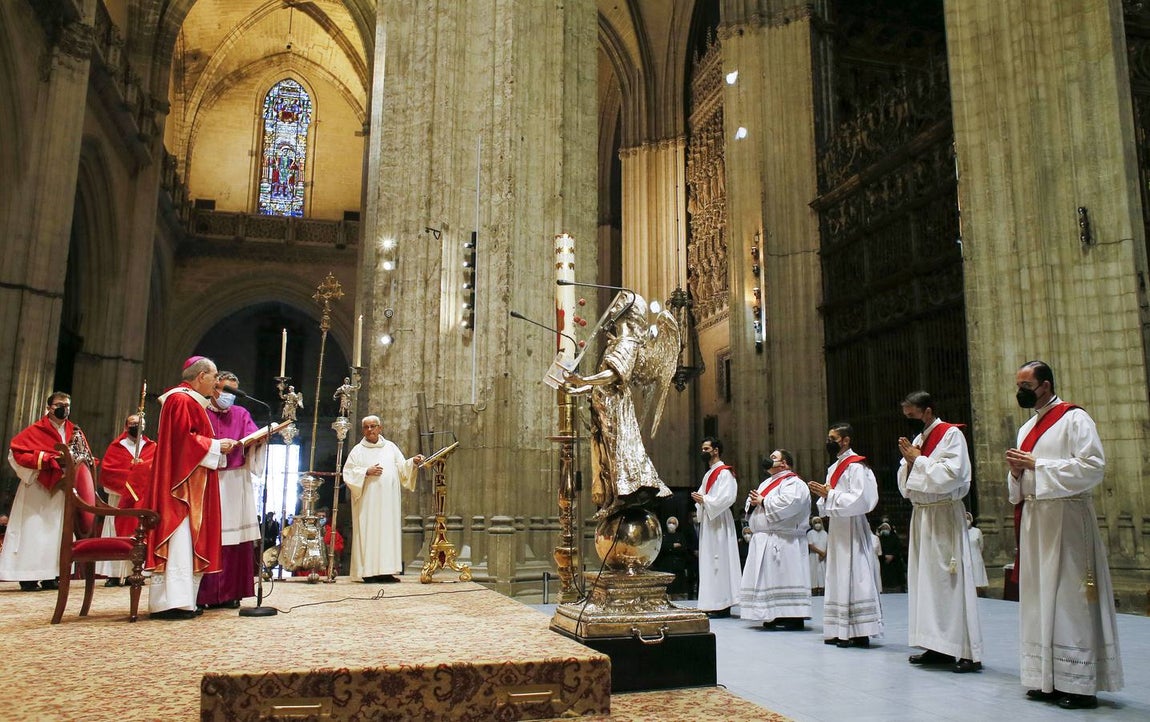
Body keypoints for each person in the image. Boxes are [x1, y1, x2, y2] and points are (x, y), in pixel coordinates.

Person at [1006, 360, 1122, 709]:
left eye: (1026, 385)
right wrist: (1016, 472)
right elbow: (1020, 483)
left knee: (1069, 598)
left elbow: (1092, 467)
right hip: (1036, 520)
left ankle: (1080, 684)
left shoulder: (1074, 418)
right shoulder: (1027, 428)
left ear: (1046, 384)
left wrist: (1036, 465)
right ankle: (1048, 678)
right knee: (1040, 597)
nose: (1021, 392)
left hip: (1067, 517)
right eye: (1019, 385)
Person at [562, 292, 677, 518]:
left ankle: (620, 496)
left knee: (616, 453)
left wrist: (584, 380)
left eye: (619, 305)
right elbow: (601, 384)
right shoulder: (617, 342)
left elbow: (613, 375)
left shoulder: (627, 342)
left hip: (615, 410)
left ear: (628, 311)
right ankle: (612, 497)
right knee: (605, 455)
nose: (613, 308)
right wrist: (578, 389)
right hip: (604, 407)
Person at [146, 356, 239, 620]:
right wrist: (215, 446)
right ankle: (171, 603)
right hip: (182, 487)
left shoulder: (189, 401)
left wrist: (213, 446)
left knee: (187, 541)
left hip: (193, 479)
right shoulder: (181, 400)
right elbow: (182, 441)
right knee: (179, 539)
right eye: (214, 377)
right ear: (200, 377)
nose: (217, 384)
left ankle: (182, 600)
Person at [897, 391, 984, 674]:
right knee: (928, 585)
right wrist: (911, 461)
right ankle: (937, 646)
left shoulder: (950, 436)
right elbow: (905, 485)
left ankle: (967, 651)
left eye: (912, 415)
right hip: (923, 516)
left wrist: (918, 460)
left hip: (945, 514)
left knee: (952, 583)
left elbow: (953, 475)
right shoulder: (920, 440)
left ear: (928, 411)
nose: (909, 421)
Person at [0, 392, 85, 592]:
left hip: (62, 489)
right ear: (49, 408)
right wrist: (46, 459)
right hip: (37, 488)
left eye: (67, 404)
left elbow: (84, 455)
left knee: (57, 533)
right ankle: (28, 577)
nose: (63, 408)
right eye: (59, 404)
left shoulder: (75, 432)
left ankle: (52, 575)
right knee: (34, 531)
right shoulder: (36, 430)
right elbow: (17, 452)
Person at [808, 422, 882, 648]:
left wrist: (830, 495)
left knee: (855, 573)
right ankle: (840, 629)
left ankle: (860, 631)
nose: (829, 442)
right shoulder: (834, 468)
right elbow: (829, 499)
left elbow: (862, 499)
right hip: (838, 527)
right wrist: (824, 496)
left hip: (853, 527)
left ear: (846, 440)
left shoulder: (856, 466)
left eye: (833, 438)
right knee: (839, 574)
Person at [197, 372, 263, 610]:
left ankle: (232, 592)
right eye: (226, 391)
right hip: (211, 480)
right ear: (214, 388)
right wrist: (217, 449)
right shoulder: (201, 412)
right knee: (212, 537)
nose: (229, 397)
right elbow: (193, 444)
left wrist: (259, 441)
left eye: (234, 392)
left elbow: (252, 439)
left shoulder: (241, 414)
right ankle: (206, 594)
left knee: (237, 541)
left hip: (237, 482)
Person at [341, 416, 424, 582]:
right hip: (368, 504)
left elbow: (402, 468)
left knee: (387, 534)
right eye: (366, 427)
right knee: (369, 534)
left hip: (388, 503)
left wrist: (412, 462)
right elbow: (348, 472)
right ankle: (368, 572)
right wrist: (366, 471)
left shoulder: (391, 448)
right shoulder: (358, 450)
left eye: (373, 426)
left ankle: (386, 571)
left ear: (380, 428)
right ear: (363, 430)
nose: (370, 430)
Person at [739, 449, 812, 630]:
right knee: (771, 579)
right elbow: (753, 502)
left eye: (773, 458)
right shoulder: (767, 483)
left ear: (785, 463)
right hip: (765, 537)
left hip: (785, 539)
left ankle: (794, 616)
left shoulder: (794, 483)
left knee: (785, 576)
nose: (768, 460)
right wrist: (755, 502)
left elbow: (790, 503)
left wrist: (763, 501)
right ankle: (775, 613)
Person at [96, 414, 155, 586]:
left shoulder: (152, 446)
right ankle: (113, 574)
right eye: (134, 424)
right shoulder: (117, 447)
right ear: (126, 426)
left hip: (141, 500)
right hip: (120, 498)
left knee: (138, 533)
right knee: (115, 531)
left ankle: (134, 572)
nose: (137, 426)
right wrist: (132, 471)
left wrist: (142, 468)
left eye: (141, 424)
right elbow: (108, 472)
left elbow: (156, 469)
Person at [690, 436, 740, 618]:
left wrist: (705, 500)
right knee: (709, 561)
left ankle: (723, 603)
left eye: (706, 449)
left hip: (719, 520)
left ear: (716, 450)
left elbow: (727, 497)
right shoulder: (709, 474)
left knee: (720, 560)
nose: (703, 452)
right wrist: (700, 501)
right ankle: (712, 602)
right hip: (710, 521)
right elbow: (704, 496)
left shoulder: (724, 473)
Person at [651, 515, 691, 597]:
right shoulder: (663, 536)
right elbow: (662, 547)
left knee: (677, 587)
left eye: (673, 523)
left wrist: (670, 547)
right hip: (666, 564)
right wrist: (673, 546)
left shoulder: (680, 536)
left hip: (677, 565)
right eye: (670, 522)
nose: (671, 524)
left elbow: (683, 548)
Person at [965, 512, 988, 596]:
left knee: (977, 577)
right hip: (966, 557)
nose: (966, 520)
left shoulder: (977, 531)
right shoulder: (961, 532)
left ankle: (978, 594)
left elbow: (981, 545)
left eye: (967, 518)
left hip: (976, 557)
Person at [806, 516, 827, 596]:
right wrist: (821, 553)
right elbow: (811, 545)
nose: (817, 524)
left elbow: (828, 545)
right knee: (813, 574)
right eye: (815, 523)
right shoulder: (810, 533)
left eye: (819, 522)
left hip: (823, 558)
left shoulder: (825, 533)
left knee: (823, 574)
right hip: (813, 557)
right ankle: (814, 591)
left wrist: (824, 554)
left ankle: (822, 591)